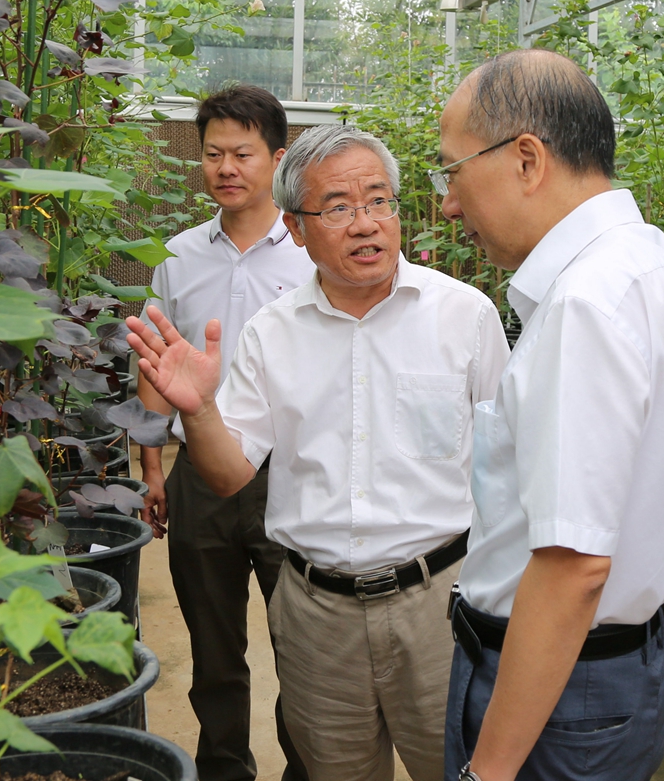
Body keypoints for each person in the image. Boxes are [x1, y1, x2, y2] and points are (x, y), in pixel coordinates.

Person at [127, 124, 510, 781]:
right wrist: (199, 408)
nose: (365, 224)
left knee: (459, 767)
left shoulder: (465, 317)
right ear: (298, 230)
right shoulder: (271, 335)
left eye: (379, 200)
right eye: (337, 207)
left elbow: (510, 471)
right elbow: (227, 472)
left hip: (440, 605)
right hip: (317, 615)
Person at [434, 48, 664, 781]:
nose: (447, 203)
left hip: (551, 692)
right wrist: (633, 644)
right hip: (614, 668)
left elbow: (573, 567)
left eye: (452, 171)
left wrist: (491, 769)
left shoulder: (586, 304)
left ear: (527, 159)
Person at [136, 84, 314, 781]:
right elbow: (154, 362)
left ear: (278, 156)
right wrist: (152, 466)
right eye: (213, 154)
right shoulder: (179, 256)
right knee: (213, 650)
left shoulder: (310, 253)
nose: (226, 167)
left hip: (291, 475)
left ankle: (307, 767)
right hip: (201, 475)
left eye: (243, 152)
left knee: (300, 644)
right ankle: (224, 769)